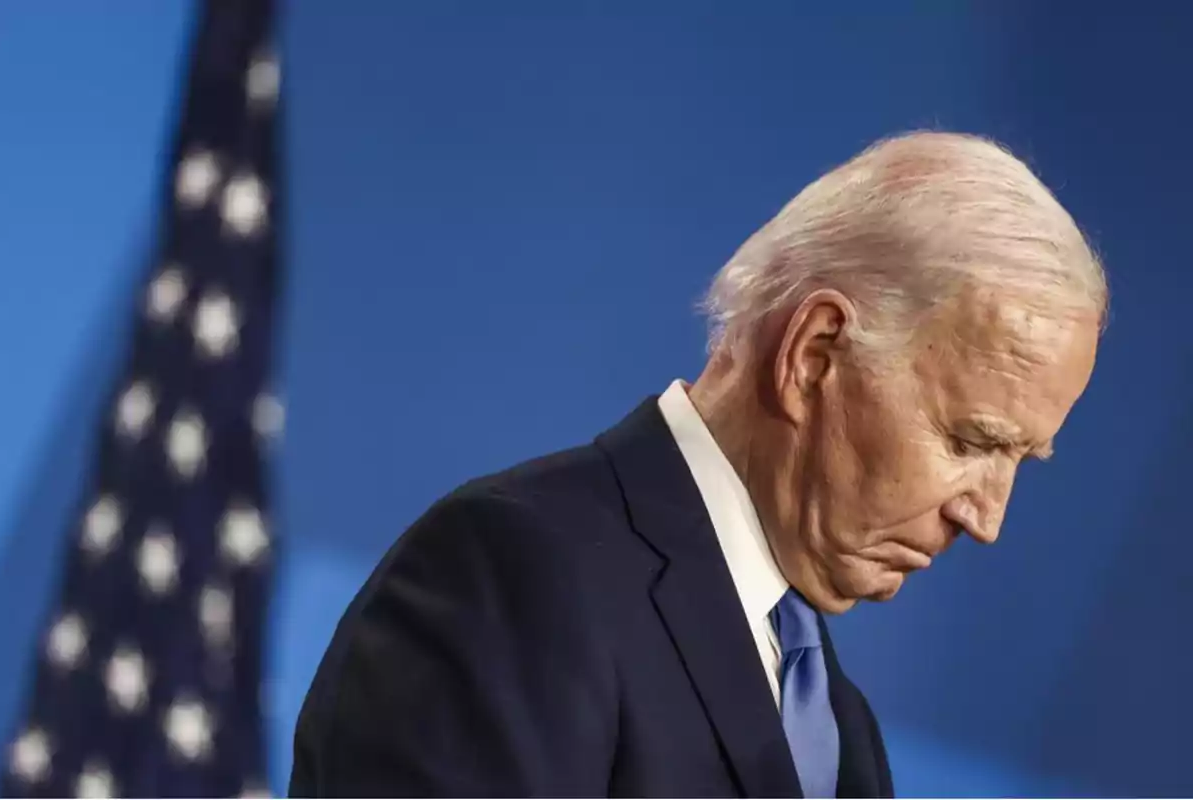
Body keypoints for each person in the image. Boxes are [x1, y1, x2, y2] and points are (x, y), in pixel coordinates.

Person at [288, 131, 1106, 798]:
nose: (986, 517)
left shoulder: (839, 725)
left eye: (1021, 460)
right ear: (814, 355)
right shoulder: (517, 576)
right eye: (972, 441)